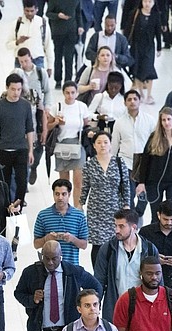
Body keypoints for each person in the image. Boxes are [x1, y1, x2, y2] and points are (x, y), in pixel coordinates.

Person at [94, 209, 159, 320]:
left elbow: (157, 280)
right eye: (115, 226)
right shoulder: (108, 249)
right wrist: (95, 304)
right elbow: (99, 280)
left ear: (133, 227)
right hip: (116, 306)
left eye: (121, 226)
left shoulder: (149, 249)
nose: (116, 230)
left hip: (142, 308)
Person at [134, 106, 172, 221]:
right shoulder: (154, 138)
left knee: (171, 213)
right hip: (154, 181)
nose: (166, 123)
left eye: (169, 119)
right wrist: (141, 182)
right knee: (155, 215)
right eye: (164, 120)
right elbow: (145, 161)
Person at [81, 131, 131, 263]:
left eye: (105, 142)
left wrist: (127, 204)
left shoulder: (119, 163)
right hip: (95, 210)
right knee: (97, 245)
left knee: (116, 242)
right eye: (99, 142)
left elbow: (126, 185)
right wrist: (80, 204)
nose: (102, 145)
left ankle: (114, 273)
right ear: (94, 146)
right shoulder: (89, 165)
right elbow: (85, 186)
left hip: (115, 209)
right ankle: (98, 275)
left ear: (110, 145)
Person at [0, 74, 35, 204]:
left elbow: (29, 129)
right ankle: (6, 208)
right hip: (4, 149)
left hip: (21, 149)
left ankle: (18, 207)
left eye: (19, 89)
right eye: (13, 89)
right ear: (7, 88)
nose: (16, 93)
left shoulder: (26, 105)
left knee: (22, 182)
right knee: (4, 182)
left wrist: (31, 150)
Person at [111, 89, 157, 204]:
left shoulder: (150, 120)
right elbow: (114, 145)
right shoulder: (119, 122)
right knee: (128, 198)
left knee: (143, 200)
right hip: (126, 163)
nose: (132, 102)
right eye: (129, 99)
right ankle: (130, 219)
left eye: (135, 99)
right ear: (125, 102)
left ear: (140, 101)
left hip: (145, 164)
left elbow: (155, 143)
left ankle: (138, 219)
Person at [47, 82, 90, 203]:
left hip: (78, 144)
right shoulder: (57, 107)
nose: (70, 95)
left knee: (78, 181)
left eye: (73, 92)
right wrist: (56, 122)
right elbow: (48, 126)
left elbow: (87, 125)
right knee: (64, 182)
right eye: (67, 92)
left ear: (77, 93)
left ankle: (77, 207)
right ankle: (65, 205)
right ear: (63, 93)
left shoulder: (82, 107)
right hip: (62, 145)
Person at [139, 199, 172, 292]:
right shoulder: (145, 232)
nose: (169, 223)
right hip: (150, 282)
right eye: (165, 219)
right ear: (159, 215)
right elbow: (138, 258)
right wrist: (155, 260)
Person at [33, 178, 89, 265]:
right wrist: (46, 239)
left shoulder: (79, 216)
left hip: (72, 267)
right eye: (57, 194)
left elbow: (84, 245)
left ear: (69, 194)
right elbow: (36, 244)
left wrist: (72, 239)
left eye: (64, 194)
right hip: (49, 266)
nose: (60, 198)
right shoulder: (43, 215)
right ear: (53, 194)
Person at [126, 0, 162, 105]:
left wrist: (159, 47)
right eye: (145, 1)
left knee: (149, 69)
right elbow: (128, 29)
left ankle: (149, 95)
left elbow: (158, 32)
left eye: (150, 1)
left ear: (154, 3)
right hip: (136, 46)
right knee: (136, 69)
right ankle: (141, 94)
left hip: (149, 47)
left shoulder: (155, 15)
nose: (147, 4)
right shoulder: (135, 13)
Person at [7, 0, 53, 74]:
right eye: (27, 11)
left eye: (32, 11)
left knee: (38, 85)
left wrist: (50, 67)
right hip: (20, 62)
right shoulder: (17, 24)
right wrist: (17, 42)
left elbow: (48, 45)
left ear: (36, 10)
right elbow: (8, 45)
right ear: (23, 9)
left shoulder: (42, 23)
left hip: (38, 61)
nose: (29, 13)